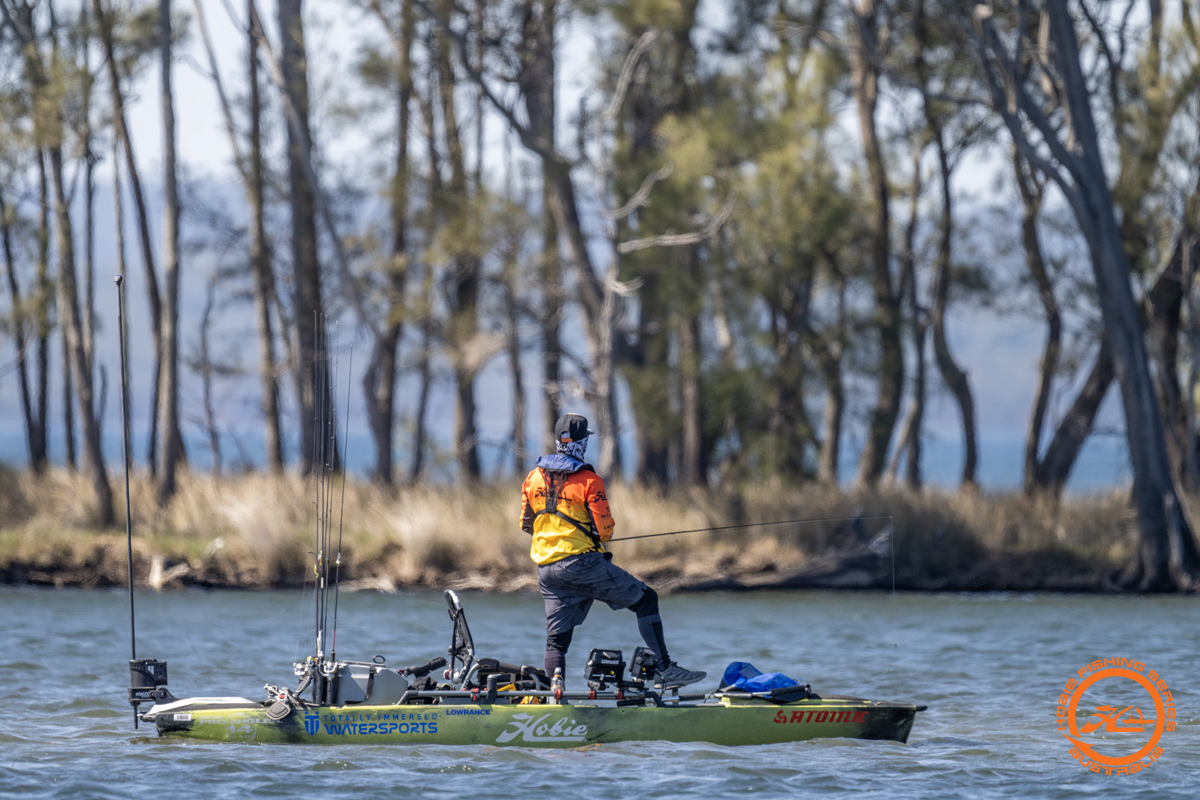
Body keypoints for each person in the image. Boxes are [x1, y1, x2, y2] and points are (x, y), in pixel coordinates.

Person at [520, 412, 706, 690]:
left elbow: (526, 524)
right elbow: (604, 530)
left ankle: (553, 689)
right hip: (583, 565)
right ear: (582, 442)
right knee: (646, 600)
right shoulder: (589, 481)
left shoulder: (533, 477)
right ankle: (666, 669)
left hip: (547, 571)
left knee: (557, 639)